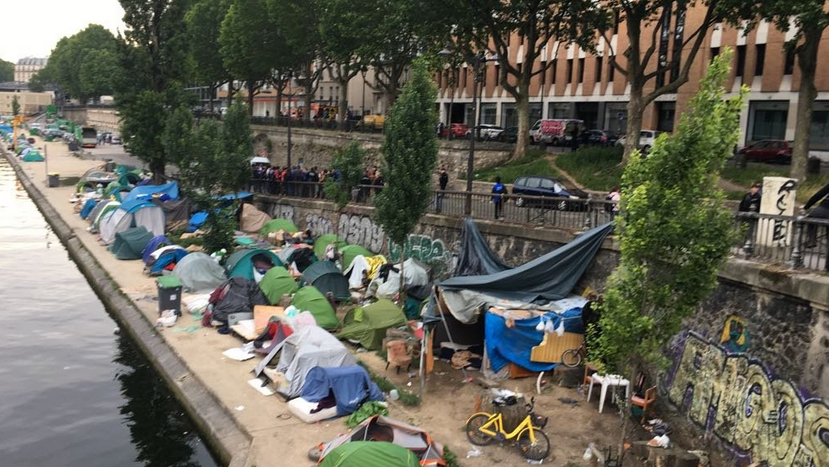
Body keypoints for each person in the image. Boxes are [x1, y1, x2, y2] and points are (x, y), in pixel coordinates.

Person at [802, 180, 829, 249]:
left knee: (810, 219)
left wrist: (806, 207)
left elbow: (818, 195)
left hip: (823, 209)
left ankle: (812, 240)